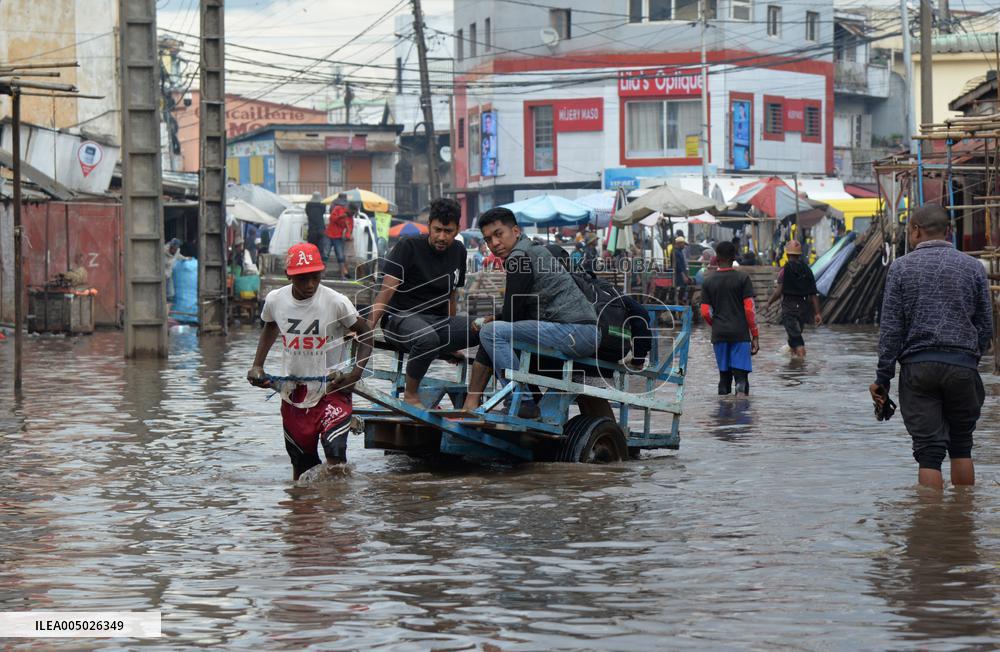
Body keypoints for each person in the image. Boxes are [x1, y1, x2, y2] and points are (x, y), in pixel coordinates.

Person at [869, 204, 992, 490]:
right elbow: (986, 326)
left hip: (918, 369)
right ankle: (962, 523)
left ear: (915, 230)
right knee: (961, 446)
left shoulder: (900, 268)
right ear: (948, 231)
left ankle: (931, 527)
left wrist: (882, 378)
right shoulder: (973, 268)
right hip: (962, 366)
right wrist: (971, 357)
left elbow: (890, 330)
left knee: (929, 453)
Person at [246, 242, 373, 480]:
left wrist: (355, 374)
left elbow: (366, 333)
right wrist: (257, 365)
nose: (310, 285)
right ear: (289, 276)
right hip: (294, 393)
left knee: (335, 458)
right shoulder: (276, 300)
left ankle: (336, 510)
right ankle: (302, 513)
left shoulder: (336, 302)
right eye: (303, 279)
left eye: (315, 277)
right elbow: (270, 326)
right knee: (302, 467)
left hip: (333, 389)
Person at [462, 207, 599, 414]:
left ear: (515, 231)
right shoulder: (529, 250)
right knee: (498, 332)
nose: (494, 244)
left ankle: (521, 401)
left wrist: (489, 321)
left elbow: (510, 316)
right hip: (578, 331)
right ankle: (528, 399)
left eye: (499, 234)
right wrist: (494, 318)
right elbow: (517, 313)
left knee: (491, 332)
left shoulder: (519, 257)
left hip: (575, 332)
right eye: (488, 239)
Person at [368, 197, 478, 407]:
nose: (441, 237)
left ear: (457, 230)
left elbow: (451, 295)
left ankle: (475, 397)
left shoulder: (459, 251)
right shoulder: (408, 246)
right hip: (399, 319)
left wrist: (449, 341)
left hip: (436, 322)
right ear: (429, 226)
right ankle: (411, 395)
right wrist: (367, 328)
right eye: (437, 230)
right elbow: (386, 290)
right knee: (427, 339)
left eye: (448, 231)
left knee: (486, 328)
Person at [700, 241, 760, 395]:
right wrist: (755, 335)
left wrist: (716, 325)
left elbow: (705, 312)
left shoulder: (708, 281)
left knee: (724, 377)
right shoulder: (743, 278)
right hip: (740, 334)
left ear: (717, 258)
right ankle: (741, 414)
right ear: (734, 258)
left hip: (719, 334)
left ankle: (724, 415)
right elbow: (749, 309)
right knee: (741, 378)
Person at [766, 239, 821, 357]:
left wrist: (768, 303)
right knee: (794, 337)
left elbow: (779, 291)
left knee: (797, 340)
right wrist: (817, 313)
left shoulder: (784, 271)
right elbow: (813, 293)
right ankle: (794, 366)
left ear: (786, 254)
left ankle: (801, 365)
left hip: (789, 309)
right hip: (803, 309)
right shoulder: (808, 270)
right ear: (800, 254)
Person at [326, 195, 354, 279]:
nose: (352, 214)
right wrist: (340, 217)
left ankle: (342, 275)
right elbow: (331, 219)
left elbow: (350, 228)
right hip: (329, 234)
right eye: (352, 212)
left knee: (340, 256)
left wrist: (348, 236)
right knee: (325, 255)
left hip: (338, 237)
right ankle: (321, 275)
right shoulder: (338, 208)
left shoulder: (350, 217)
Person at [304, 192, 328, 261]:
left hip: (312, 229)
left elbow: (307, 213)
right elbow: (323, 212)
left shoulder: (308, 205)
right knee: (320, 248)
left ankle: (311, 262)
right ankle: (319, 262)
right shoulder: (323, 204)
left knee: (310, 248)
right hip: (321, 228)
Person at [163, 237, 185, 303]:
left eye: (176, 248)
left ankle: (167, 310)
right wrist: (172, 260)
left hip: (168, 275)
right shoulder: (163, 251)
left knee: (170, 295)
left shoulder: (177, 250)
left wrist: (186, 258)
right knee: (162, 294)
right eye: (174, 249)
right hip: (162, 275)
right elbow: (167, 263)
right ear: (171, 246)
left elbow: (178, 256)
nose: (175, 250)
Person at [672, 235, 692, 304]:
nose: (684, 246)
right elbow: (678, 265)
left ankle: (681, 300)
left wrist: (686, 275)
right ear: (679, 243)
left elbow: (683, 265)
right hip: (678, 274)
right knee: (682, 286)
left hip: (682, 274)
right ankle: (679, 300)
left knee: (685, 286)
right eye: (683, 244)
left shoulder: (680, 251)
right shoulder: (675, 252)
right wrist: (683, 275)